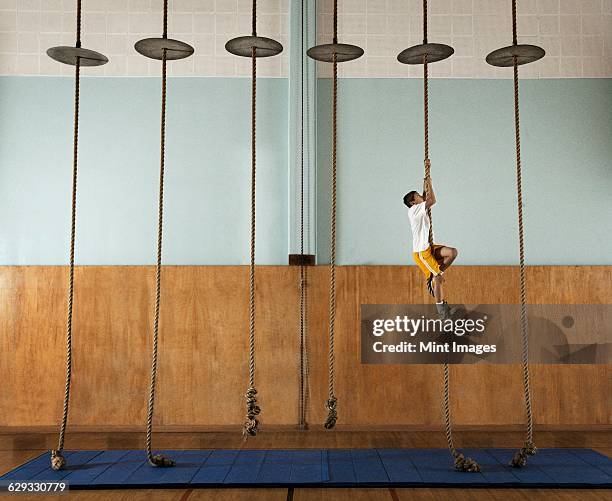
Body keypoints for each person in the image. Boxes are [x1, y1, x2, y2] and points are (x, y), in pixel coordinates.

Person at [404, 162, 459, 319]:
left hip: (429, 246)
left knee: (452, 253)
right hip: (422, 252)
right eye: (418, 196)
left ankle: (434, 276)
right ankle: (441, 311)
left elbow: (426, 192)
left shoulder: (419, 208)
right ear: (413, 202)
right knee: (439, 279)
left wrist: (427, 172)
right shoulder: (414, 210)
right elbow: (432, 199)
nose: (422, 197)